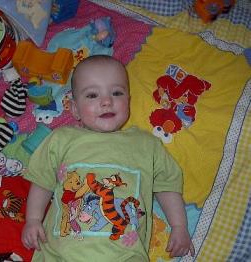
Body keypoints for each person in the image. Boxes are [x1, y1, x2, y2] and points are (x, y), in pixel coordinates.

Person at [21, 55, 195, 261]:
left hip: (125, 255)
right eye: (92, 95)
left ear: (128, 101)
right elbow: (42, 181)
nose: (106, 101)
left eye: (116, 92)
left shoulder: (146, 144)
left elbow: (167, 186)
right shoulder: (62, 138)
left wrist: (179, 226)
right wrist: (33, 219)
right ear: (75, 109)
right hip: (61, 253)